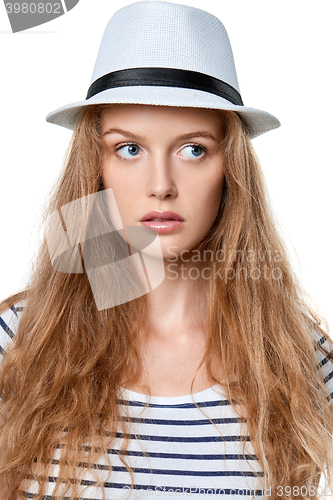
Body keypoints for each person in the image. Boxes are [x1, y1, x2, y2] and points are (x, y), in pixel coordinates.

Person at [0, 1, 332, 499]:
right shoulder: (20, 339)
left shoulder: (296, 355)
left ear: (231, 170)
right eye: (129, 149)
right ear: (96, 167)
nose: (161, 186)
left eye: (193, 148)